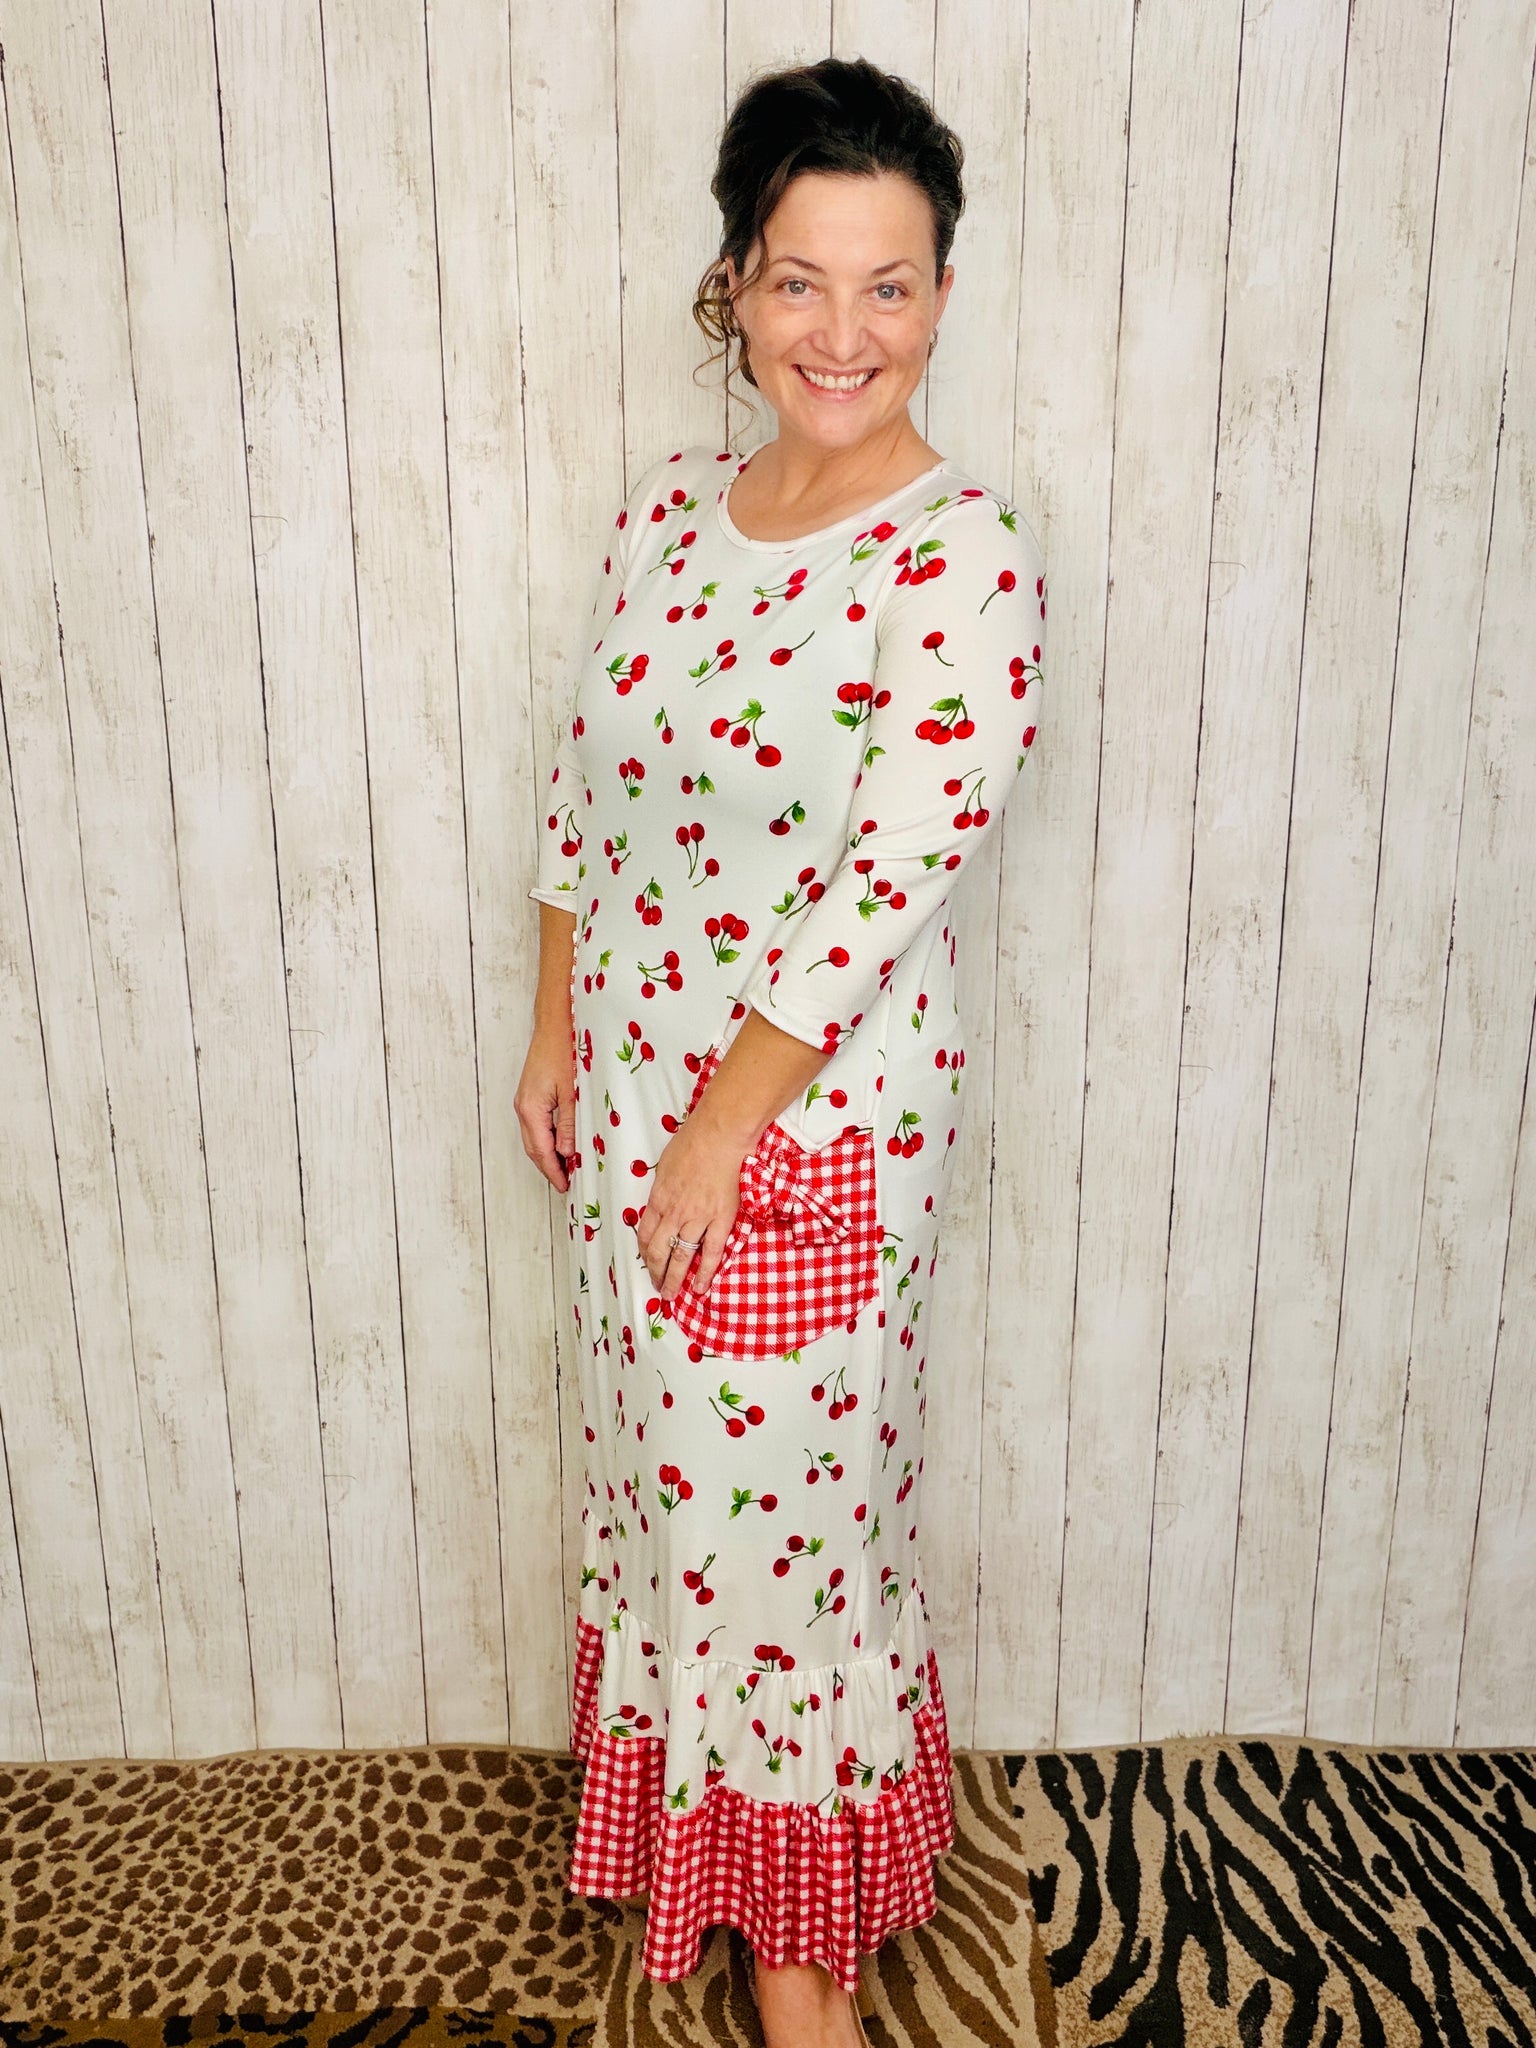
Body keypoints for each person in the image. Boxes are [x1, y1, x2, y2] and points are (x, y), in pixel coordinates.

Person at [515, 54, 1046, 2048]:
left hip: (799, 1134)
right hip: (632, 1112)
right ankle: (701, 1861)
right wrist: (558, 1031)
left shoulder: (962, 555)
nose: (843, 331)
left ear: (942, 294)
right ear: (737, 280)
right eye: (801, 278)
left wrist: (719, 1136)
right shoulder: (669, 513)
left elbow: (889, 878)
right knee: (666, 1502)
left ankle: (802, 1948)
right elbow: (583, 782)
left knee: (789, 1539)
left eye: (889, 284)